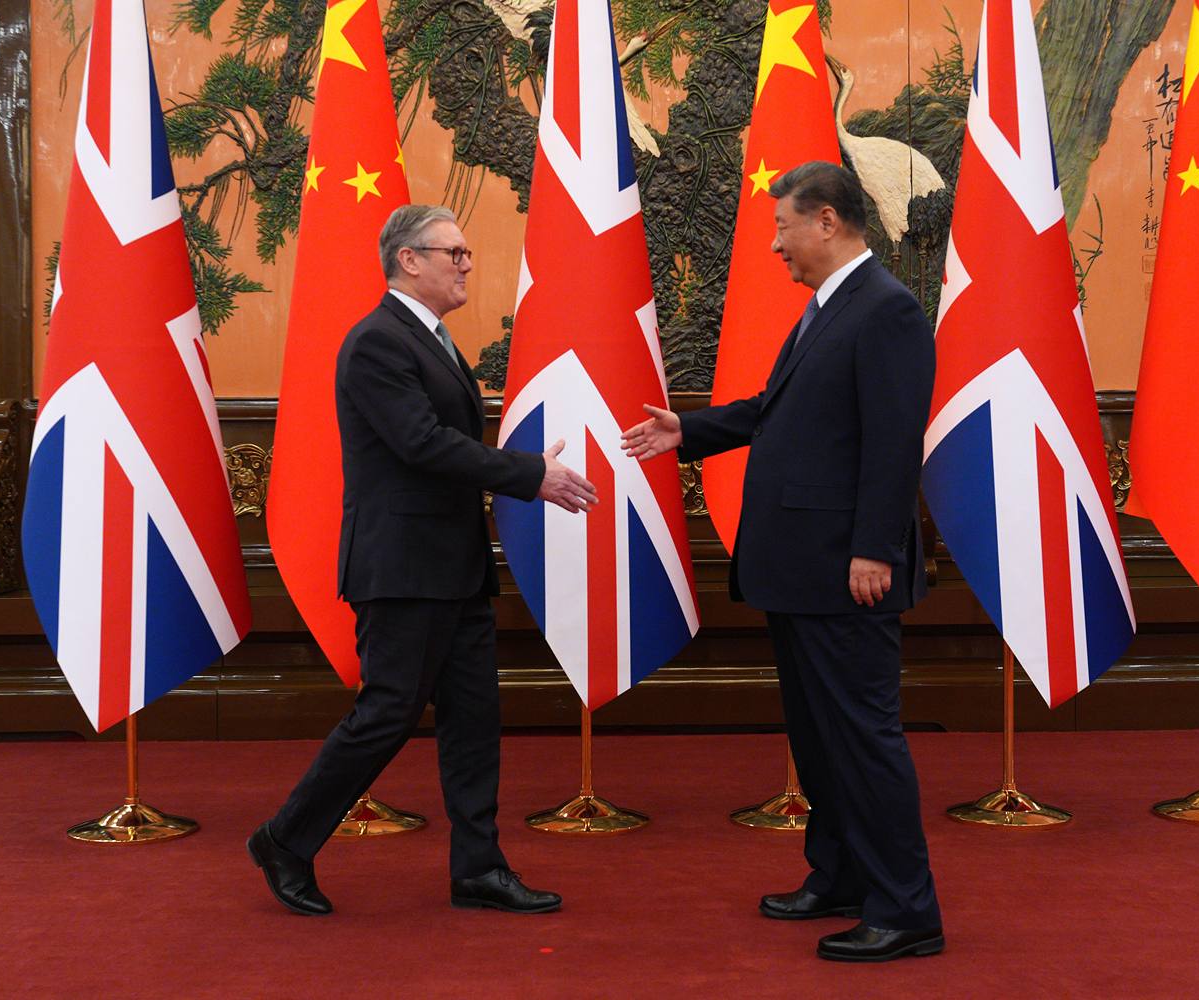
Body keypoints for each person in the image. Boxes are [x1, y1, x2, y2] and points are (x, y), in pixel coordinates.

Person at [622, 161, 943, 962]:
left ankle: (906, 910)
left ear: (827, 221)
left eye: (782, 227)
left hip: (847, 570)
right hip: (804, 569)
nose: (775, 245)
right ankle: (836, 874)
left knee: (862, 737)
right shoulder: (831, 310)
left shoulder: (887, 311)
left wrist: (875, 547)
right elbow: (779, 411)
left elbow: (894, 442)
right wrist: (686, 432)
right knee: (820, 736)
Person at [249, 204, 597, 917]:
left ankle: (478, 867)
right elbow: (421, 444)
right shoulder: (377, 341)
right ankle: (285, 839)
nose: (467, 264)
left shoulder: (430, 340)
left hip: (453, 565)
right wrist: (529, 475)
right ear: (409, 259)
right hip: (403, 566)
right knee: (386, 713)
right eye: (456, 253)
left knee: (474, 719)